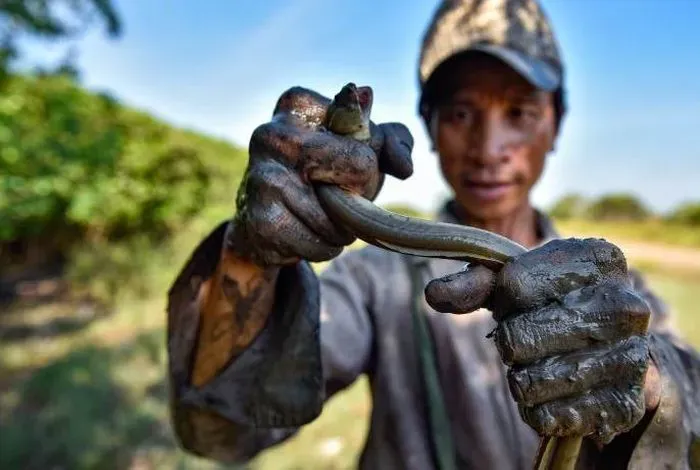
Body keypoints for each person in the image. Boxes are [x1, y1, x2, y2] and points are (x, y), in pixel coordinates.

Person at [166, 0, 700, 468]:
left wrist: (650, 384)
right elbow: (221, 433)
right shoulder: (374, 277)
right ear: (431, 127)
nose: (490, 148)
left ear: (555, 125)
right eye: (462, 112)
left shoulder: (617, 299)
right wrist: (250, 258)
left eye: (519, 112)